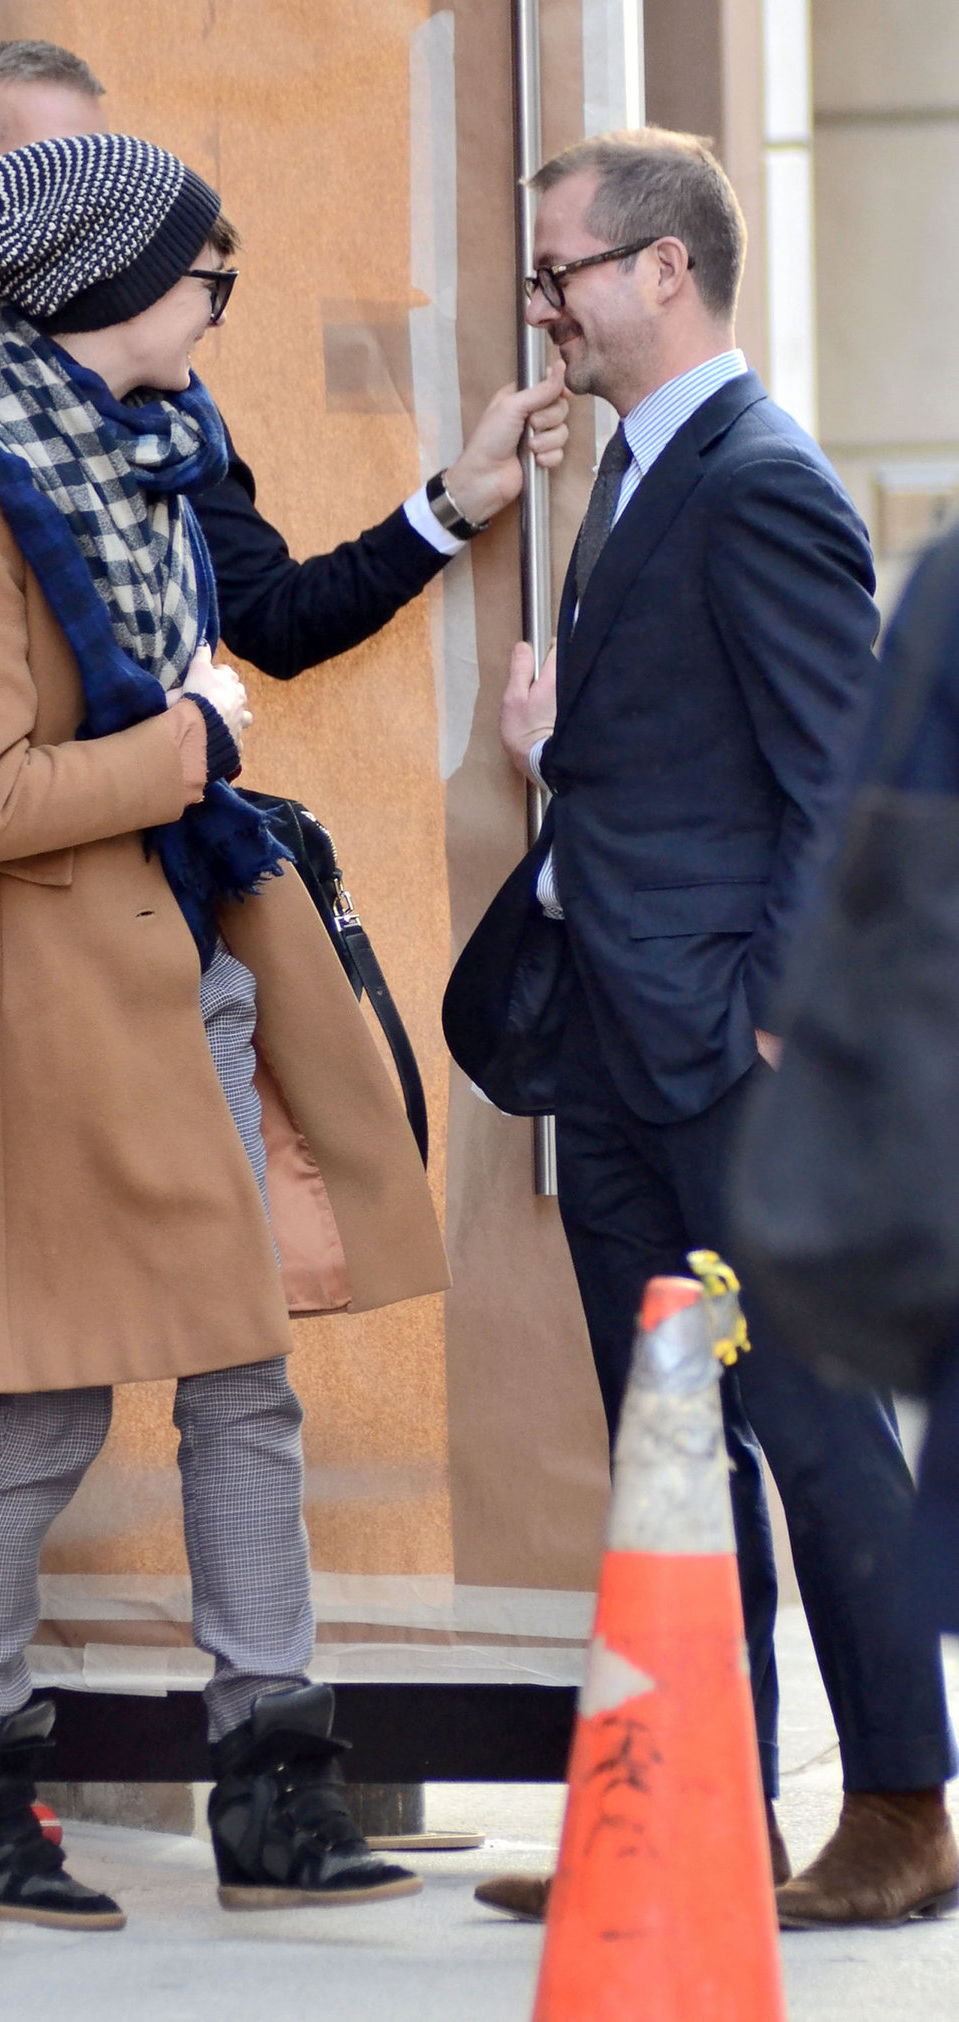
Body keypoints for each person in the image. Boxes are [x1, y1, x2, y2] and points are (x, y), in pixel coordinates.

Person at [0, 39, 567, 1819]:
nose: (136, 220)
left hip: (60, 933)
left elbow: (274, 613)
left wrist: (452, 502)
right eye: (84, 177)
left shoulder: (157, 434)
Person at [0, 130, 450, 1929]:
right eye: (211, 275)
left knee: (242, 1381)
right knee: (37, 1401)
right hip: (46, 1005)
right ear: (120, 286)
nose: (221, 302)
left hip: (175, 959)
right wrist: (193, 737)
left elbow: (234, 637)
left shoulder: (151, 459)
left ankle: (272, 1783)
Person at [443, 127, 959, 1928]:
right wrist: (553, 758)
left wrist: (767, 1028)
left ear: (662, 268)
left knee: (814, 1435)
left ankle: (902, 1809)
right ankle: (694, 1818)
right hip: (614, 1048)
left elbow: (843, 784)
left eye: (561, 270)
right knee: (670, 1452)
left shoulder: (757, 477)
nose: (546, 307)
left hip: (721, 1062)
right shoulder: (638, 471)